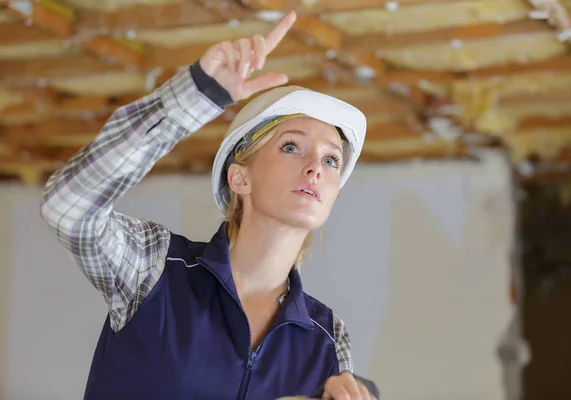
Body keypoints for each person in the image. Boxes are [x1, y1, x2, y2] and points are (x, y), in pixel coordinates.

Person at [40, 10, 378, 400]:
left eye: (331, 160)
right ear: (240, 178)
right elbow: (67, 205)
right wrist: (197, 94)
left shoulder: (328, 340)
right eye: (291, 146)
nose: (315, 168)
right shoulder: (156, 270)